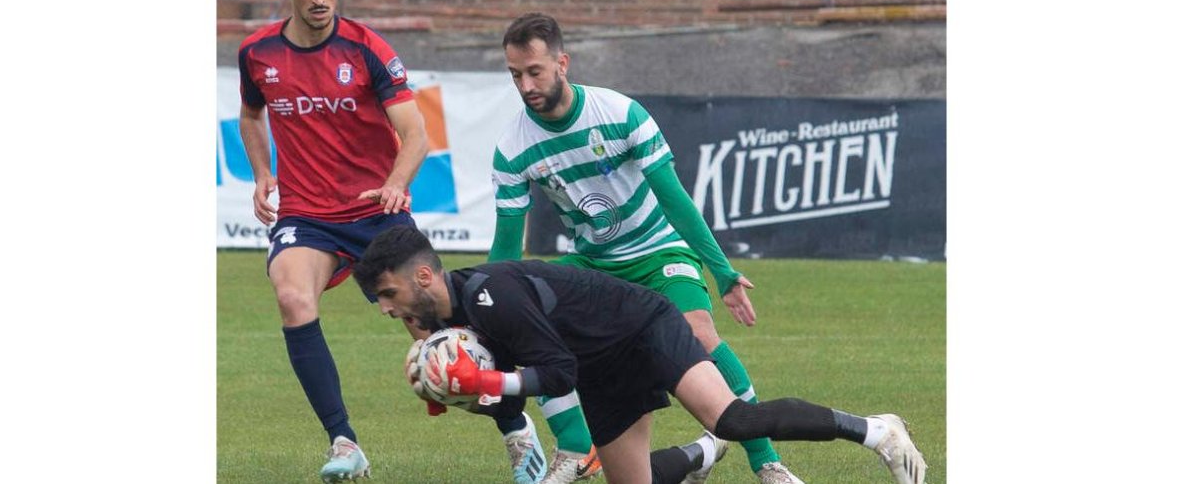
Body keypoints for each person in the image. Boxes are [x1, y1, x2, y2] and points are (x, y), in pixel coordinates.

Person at [486, 12, 802, 484]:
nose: (526, 84)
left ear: (562, 63)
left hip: (659, 252)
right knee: (530, 319)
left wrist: (722, 272)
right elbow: (507, 247)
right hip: (593, 264)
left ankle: (767, 464)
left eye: (535, 71)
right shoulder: (513, 148)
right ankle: (575, 448)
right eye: (516, 75)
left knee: (698, 337)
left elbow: (675, 199)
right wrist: (490, 310)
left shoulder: (619, 113)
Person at [354, 226, 928, 484]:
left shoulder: (489, 294)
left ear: (423, 275)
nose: (385, 309)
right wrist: (457, 394)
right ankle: (704, 456)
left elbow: (556, 374)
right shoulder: (446, 320)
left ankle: (878, 430)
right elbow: (513, 388)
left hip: (641, 326)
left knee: (734, 417)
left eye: (387, 294)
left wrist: (485, 382)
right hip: (603, 369)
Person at [236, 0, 432, 482]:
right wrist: (261, 173)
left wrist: (396, 182)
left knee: (438, 336)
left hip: (377, 210)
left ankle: (517, 432)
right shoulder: (258, 53)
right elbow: (251, 116)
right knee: (293, 297)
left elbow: (416, 133)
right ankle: (344, 441)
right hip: (307, 215)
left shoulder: (368, 49)